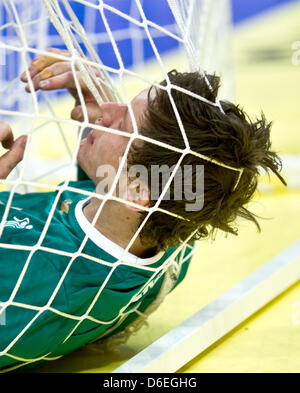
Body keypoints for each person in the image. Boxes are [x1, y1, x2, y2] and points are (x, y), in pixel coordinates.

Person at [0, 49, 285, 371]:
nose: (105, 111)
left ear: (137, 190)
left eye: (123, 124)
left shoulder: (38, 283)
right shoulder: (172, 231)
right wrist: (102, 123)